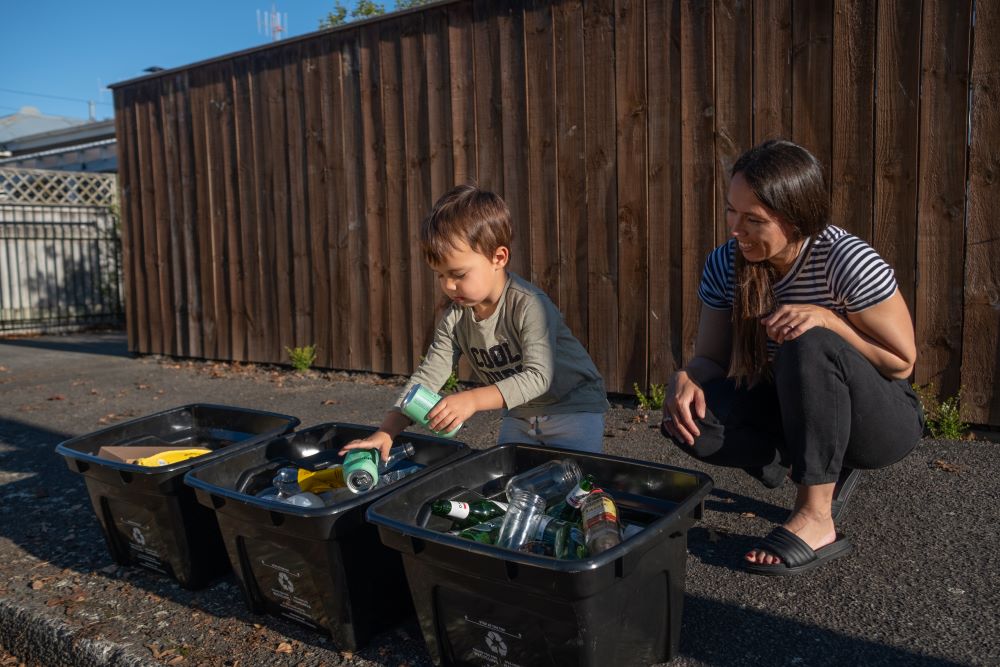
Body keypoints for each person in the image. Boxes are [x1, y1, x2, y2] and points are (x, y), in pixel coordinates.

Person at [660, 139, 924, 576]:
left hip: (880, 420)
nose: (735, 229)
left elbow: (901, 363)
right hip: (792, 402)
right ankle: (810, 458)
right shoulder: (726, 263)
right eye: (731, 211)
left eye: (753, 220)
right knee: (691, 419)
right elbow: (711, 358)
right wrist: (686, 376)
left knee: (808, 340)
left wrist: (830, 320)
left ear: (796, 220)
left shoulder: (845, 259)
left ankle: (817, 516)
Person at [340, 184, 609, 462]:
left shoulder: (530, 305)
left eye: (458, 274)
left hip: (573, 408)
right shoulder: (456, 318)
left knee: (578, 485)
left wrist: (472, 400)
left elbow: (539, 377)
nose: (448, 285)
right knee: (510, 483)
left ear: (498, 257)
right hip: (520, 415)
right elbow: (429, 376)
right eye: (440, 275)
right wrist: (386, 431)